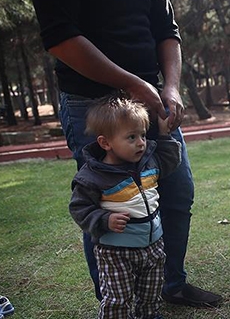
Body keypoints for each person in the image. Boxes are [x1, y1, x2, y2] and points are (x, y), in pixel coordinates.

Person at [29, 0, 222, 307]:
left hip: (151, 99)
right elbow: (60, 36)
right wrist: (133, 84)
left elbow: (166, 30)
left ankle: (169, 286)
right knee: (106, 204)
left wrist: (171, 86)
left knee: (176, 192)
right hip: (92, 103)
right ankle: (118, 304)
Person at [70, 95, 179, 318]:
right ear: (106, 143)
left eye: (142, 135)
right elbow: (79, 208)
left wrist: (165, 134)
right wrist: (104, 219)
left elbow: (170, 160)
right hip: (115, 252)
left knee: (151, 296)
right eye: (131, 137)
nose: (141, 142)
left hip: (153, 247)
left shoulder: (148, 163)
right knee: (117, 300)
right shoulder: (93, 177)